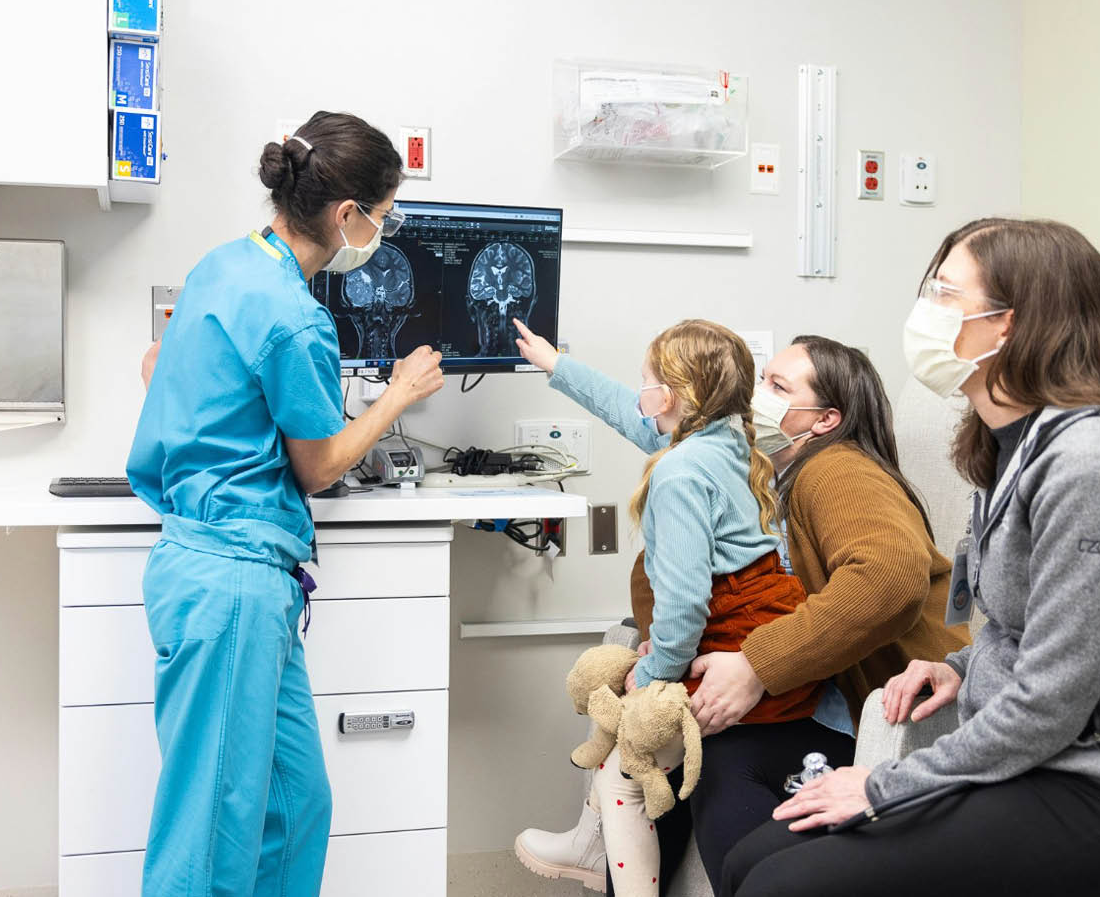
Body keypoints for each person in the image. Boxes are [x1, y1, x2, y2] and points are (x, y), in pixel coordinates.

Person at [723, 219, 1100, 897]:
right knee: (754, 856)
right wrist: (960, 666)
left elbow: (1054, 697)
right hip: (1034, 756)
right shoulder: (1010, 447)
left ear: (1012, 324)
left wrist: (885, 784)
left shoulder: (1092, 464)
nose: (925, 312)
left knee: (784, 884)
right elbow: (1040, 626)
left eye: (946, 294)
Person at [517, 335, 969, 894]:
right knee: (667, 733)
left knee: (707, 753)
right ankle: (599, 842)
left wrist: (753, 665)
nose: (757, 398)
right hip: (811, 687)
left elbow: (888, 581)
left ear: (826, 420)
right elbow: (650, 422)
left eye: (779, 387)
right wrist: (558, 366)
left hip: (877, 707)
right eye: (762, 381)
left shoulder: (838, 471)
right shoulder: (745, 463)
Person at [126, 111, 444, 897]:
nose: (385, 227)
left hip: (230, 573)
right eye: (387, 213)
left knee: (294, 804)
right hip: (229, 578)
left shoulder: (222, 266)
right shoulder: (297, 317)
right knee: (208, 828)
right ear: (347, 217)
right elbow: (321, 467)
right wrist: (397, 396)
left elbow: (156, 364)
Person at [513, 317, 828, 897]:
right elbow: (626, 412)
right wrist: (558, 365)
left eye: (647, 384)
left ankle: (603, 861)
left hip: (733, 650)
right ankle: (587, 842)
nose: (640, 396)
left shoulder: (680, 472)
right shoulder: (732, 440)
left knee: (625, 768)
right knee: (617, 684)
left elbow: (682, 608)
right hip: (766, 626)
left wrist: (653, 673)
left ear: (676, 396)